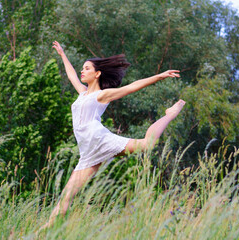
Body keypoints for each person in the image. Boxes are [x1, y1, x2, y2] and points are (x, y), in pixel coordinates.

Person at [41, 41, 185, 230]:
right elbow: (72, 75)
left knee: (147, 144)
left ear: (97, 73)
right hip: (88, 152)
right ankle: (44, 232)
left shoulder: (101, 95)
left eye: (87, 68)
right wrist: (62, 55)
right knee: (67, 196)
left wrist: (159, 76)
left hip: (99, 140)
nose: (82, 71)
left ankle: (169, 115)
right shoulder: (82, 93)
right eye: (82, 68)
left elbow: (131, 87)